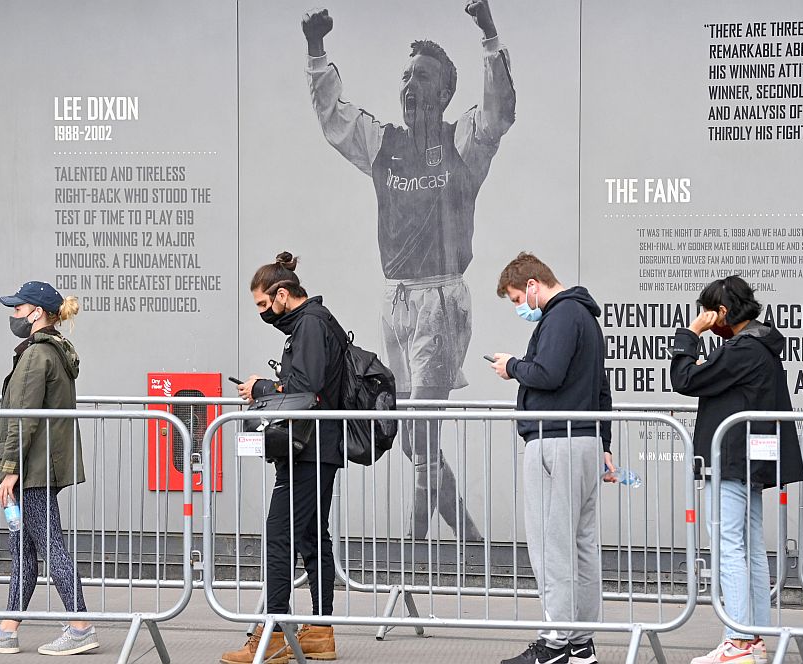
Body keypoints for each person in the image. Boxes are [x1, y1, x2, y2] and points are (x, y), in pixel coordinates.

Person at [302, 0, 516, 541]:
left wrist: (490, 36)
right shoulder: (385, 144)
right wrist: (317, 50)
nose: (408, 82)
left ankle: (410, 554)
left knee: (421, 428)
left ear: (443, 92)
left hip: (441, 300)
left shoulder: (462, 141)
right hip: (395, 301)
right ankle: (469, 540)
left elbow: (498, 113)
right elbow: (335, 119)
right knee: (411, 439)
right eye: (405, 73)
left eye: (421, 74)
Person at [668, 275, 803, 664]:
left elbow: (684, 378)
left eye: (707, 312)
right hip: (751, 462)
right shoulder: (761, 344)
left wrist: (691, 333)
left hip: (730, 461)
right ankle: (753, 638)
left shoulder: (741, 348)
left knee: (729, 548)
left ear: (722, 312)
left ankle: (739, 642)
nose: (705, 319)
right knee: (750, 549)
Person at [489, 253, 616, 664]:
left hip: (553, 442)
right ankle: (580, 642)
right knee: (581, 545)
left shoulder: (560, 317)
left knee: (551, 545)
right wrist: (606, 445)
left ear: (532, 285)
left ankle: (555, 642)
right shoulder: (587, 319)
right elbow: (601, 390)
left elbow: (548, 374)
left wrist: (513, 366)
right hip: (584, 443)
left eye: (515, 298)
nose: (518, 307)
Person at [220, 253, 346, 664]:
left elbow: (305, 389)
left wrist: (261, 388)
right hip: (317, 447)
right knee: (310, 536)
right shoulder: (315, 321)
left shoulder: (310, 323)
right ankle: (320, 631)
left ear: (282, 294)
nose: (262, 312)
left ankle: (274, 633)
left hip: (309, 448)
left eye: (262, 304)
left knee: (280, 535)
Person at [0, 281, 98, 656]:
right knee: (23, 550)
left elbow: (21, 419)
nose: (13, 315)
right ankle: (8, 629)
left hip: (32, 471)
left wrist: (10, 470)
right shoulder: (53, 352)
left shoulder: (36, 356)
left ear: (36, 312)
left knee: (50, 545)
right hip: (39, 467)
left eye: (18, 308)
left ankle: (80, 625)